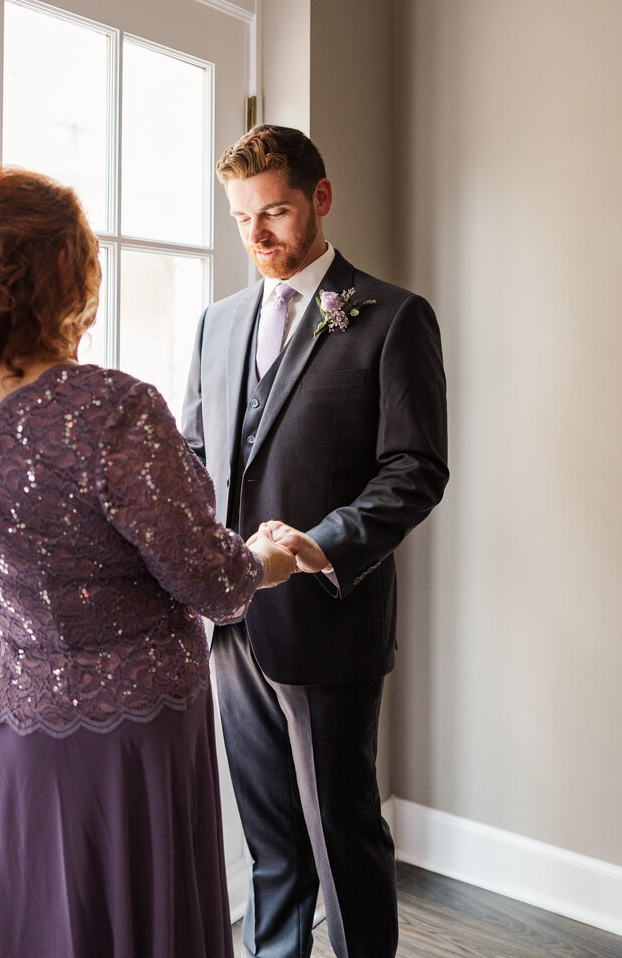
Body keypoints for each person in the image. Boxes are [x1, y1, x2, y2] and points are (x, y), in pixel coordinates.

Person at [0, 165, 296, 958]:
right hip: (113, 749)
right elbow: (213, 582)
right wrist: (261, 557)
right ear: (69, 272)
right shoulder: (109, 409)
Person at [182, 125, 449, 958]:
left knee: (344, 836)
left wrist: (318, 546)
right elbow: (195, 456)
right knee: (270, 849)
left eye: (277, 213)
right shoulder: (215, 324)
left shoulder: (393, 317)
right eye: (241, 218)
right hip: (232, 630)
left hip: (331, 625)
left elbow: (415, 468)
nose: (258, 236)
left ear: (321, 199)